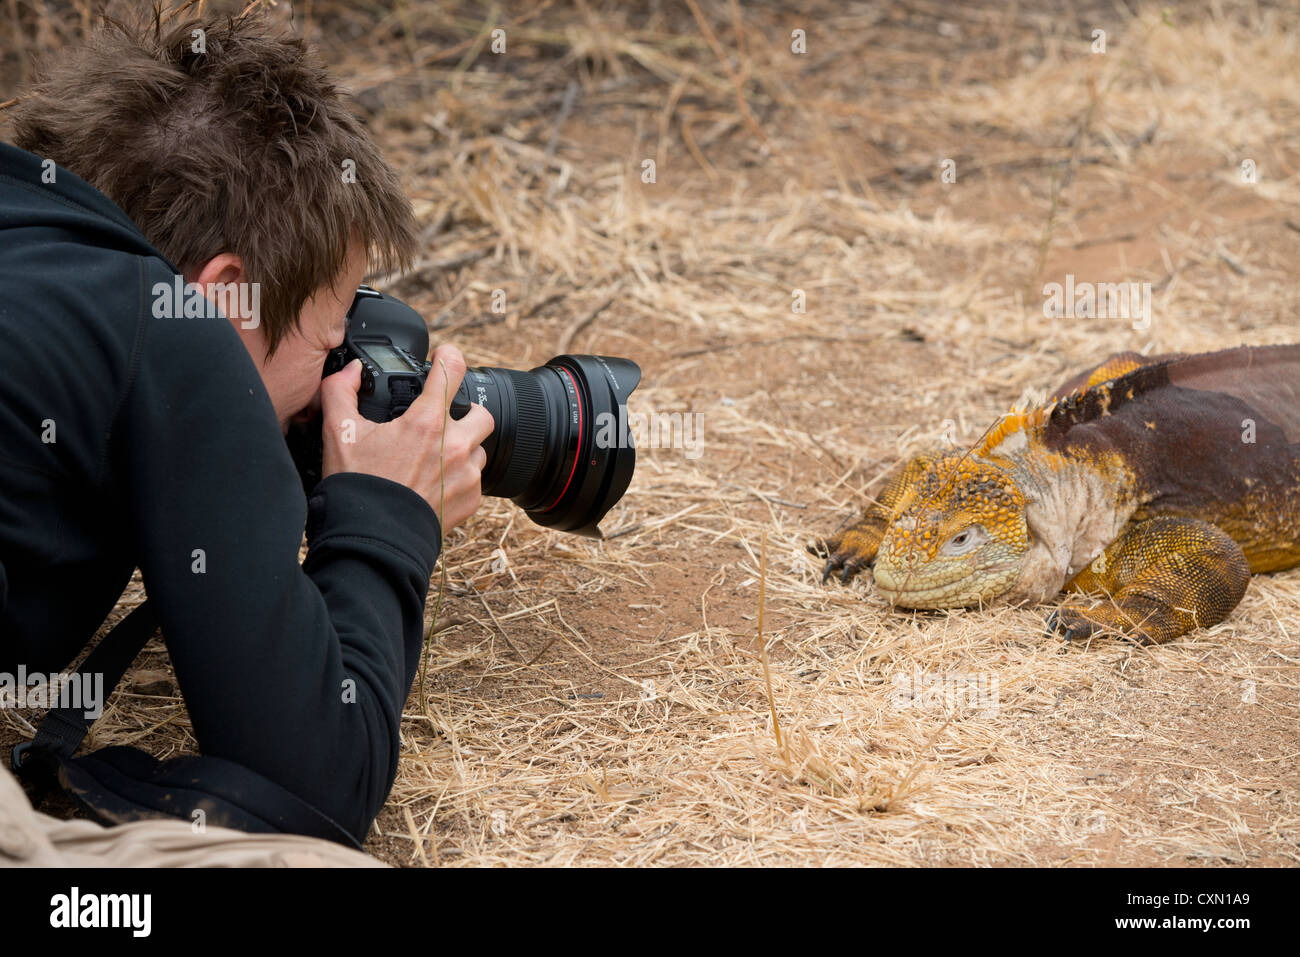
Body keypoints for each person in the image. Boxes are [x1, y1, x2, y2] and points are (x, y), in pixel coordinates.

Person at [0, 9, 493, 842]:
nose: (332, 382)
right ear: (224, 294)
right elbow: (317, 785)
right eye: (330, 339)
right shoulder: (172, 332)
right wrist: (384, 518)